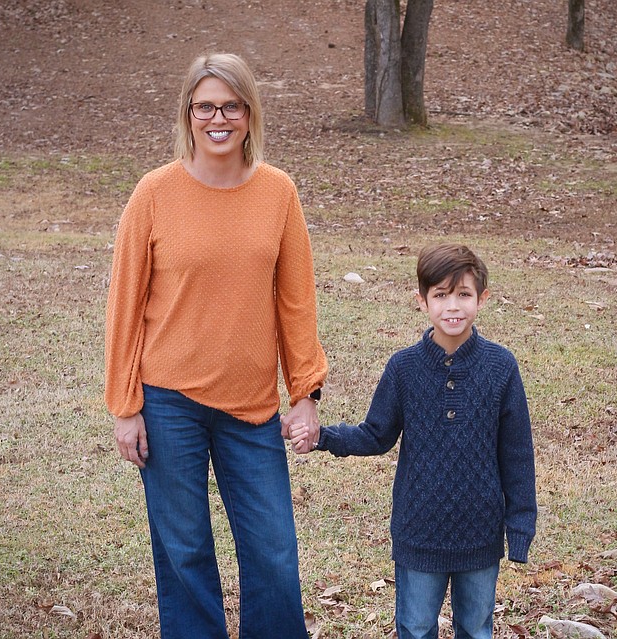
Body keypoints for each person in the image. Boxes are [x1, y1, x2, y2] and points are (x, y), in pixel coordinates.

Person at [104, 52, 327, 639]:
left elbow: (295, 301)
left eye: (230, 105)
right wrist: (126, 407)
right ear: (188, 114)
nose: (218, 118)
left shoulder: (278, 192)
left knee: (275, 556)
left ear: (249, 114)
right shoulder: (154, 193)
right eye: (205, 106)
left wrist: (305, 391)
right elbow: (124, 304)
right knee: (185, 555)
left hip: (251, 408)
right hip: (168, 401)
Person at [288, 243, 536, 639]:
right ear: (421, 301)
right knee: (416, 629)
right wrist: (321, 437)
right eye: (440, 295)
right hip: (418, 532)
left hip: (481, 534)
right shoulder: (404, 368)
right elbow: (375, 434)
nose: (452, 307)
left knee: (475, 629)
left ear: (482, 299)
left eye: (463, 295)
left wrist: (520, 528)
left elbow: (518, 455)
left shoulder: (500, 367)